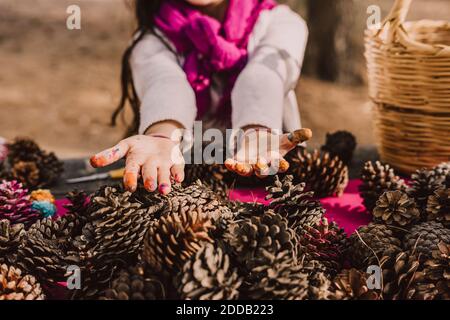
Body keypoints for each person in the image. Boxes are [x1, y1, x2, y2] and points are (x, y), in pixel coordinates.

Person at [90, 0, 309, 195]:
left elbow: (263, 76)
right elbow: (165, 83)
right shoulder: (152, 40)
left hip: (270, 185)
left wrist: (257, 130)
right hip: (187, 186)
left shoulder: (282, 23)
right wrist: (162, 137)